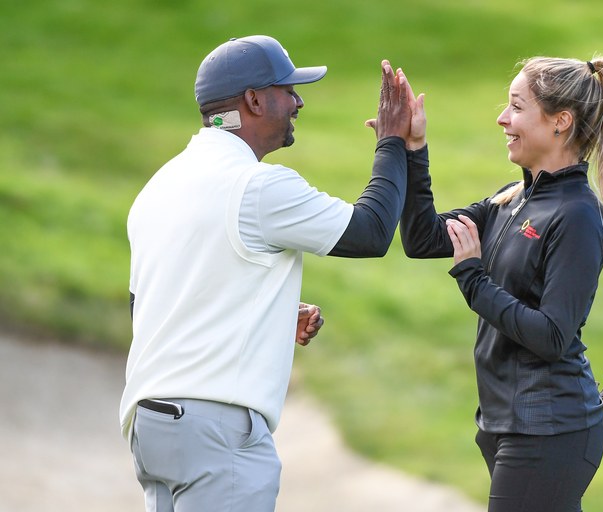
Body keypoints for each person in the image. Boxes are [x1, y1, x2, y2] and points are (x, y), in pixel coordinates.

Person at [119, 35, 412, 512]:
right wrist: (392, 142)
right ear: (254, 100)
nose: (297, 101)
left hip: (152, 427)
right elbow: (371, 232)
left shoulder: (161, 183)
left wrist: (264, 315)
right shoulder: (257, 186)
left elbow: (150, 306)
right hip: (216, 432)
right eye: (288, 89)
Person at [396, 56, 603, 511]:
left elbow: (553, 336)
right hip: (506, 425)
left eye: (517, 107)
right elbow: (421, 239)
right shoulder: (511, 199)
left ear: (561, 122)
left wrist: (473, 280)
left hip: (549, 429)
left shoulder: (576, 215)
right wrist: (413, 150)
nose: (502, 118)